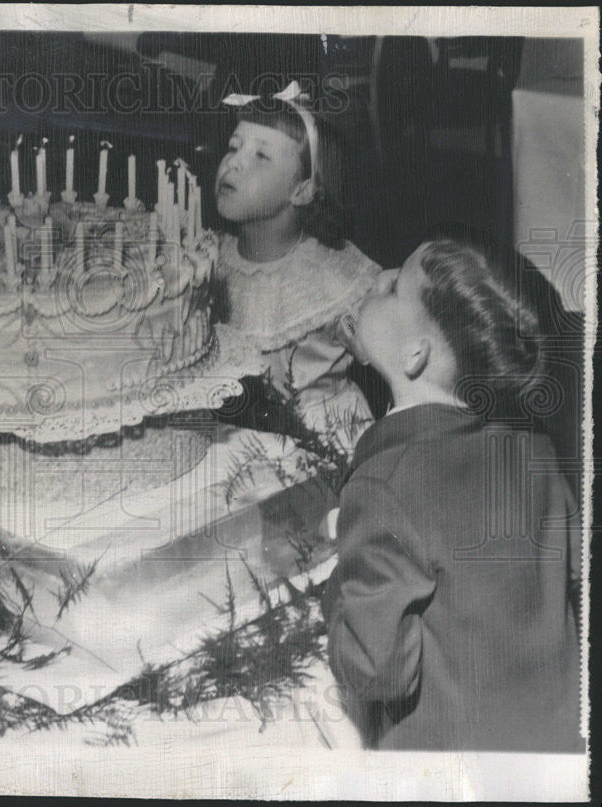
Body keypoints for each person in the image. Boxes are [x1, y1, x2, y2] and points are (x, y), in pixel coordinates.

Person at [323, 233, 583, 752]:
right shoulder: (537, 454)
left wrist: (336, 585)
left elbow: (376, 671)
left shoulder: (384, 485)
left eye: (394, 286)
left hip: (452, 769)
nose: (376, 279)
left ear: (414, 355)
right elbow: (568, 576)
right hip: (557, 756)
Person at [207, 81, 381, 504]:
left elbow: (393, 354)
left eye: (261, 156)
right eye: (234, 147)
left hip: (325, 448)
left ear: (302, 189)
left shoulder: (330, 276)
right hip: (237, 447)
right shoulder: (210, 260)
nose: (234, 164)